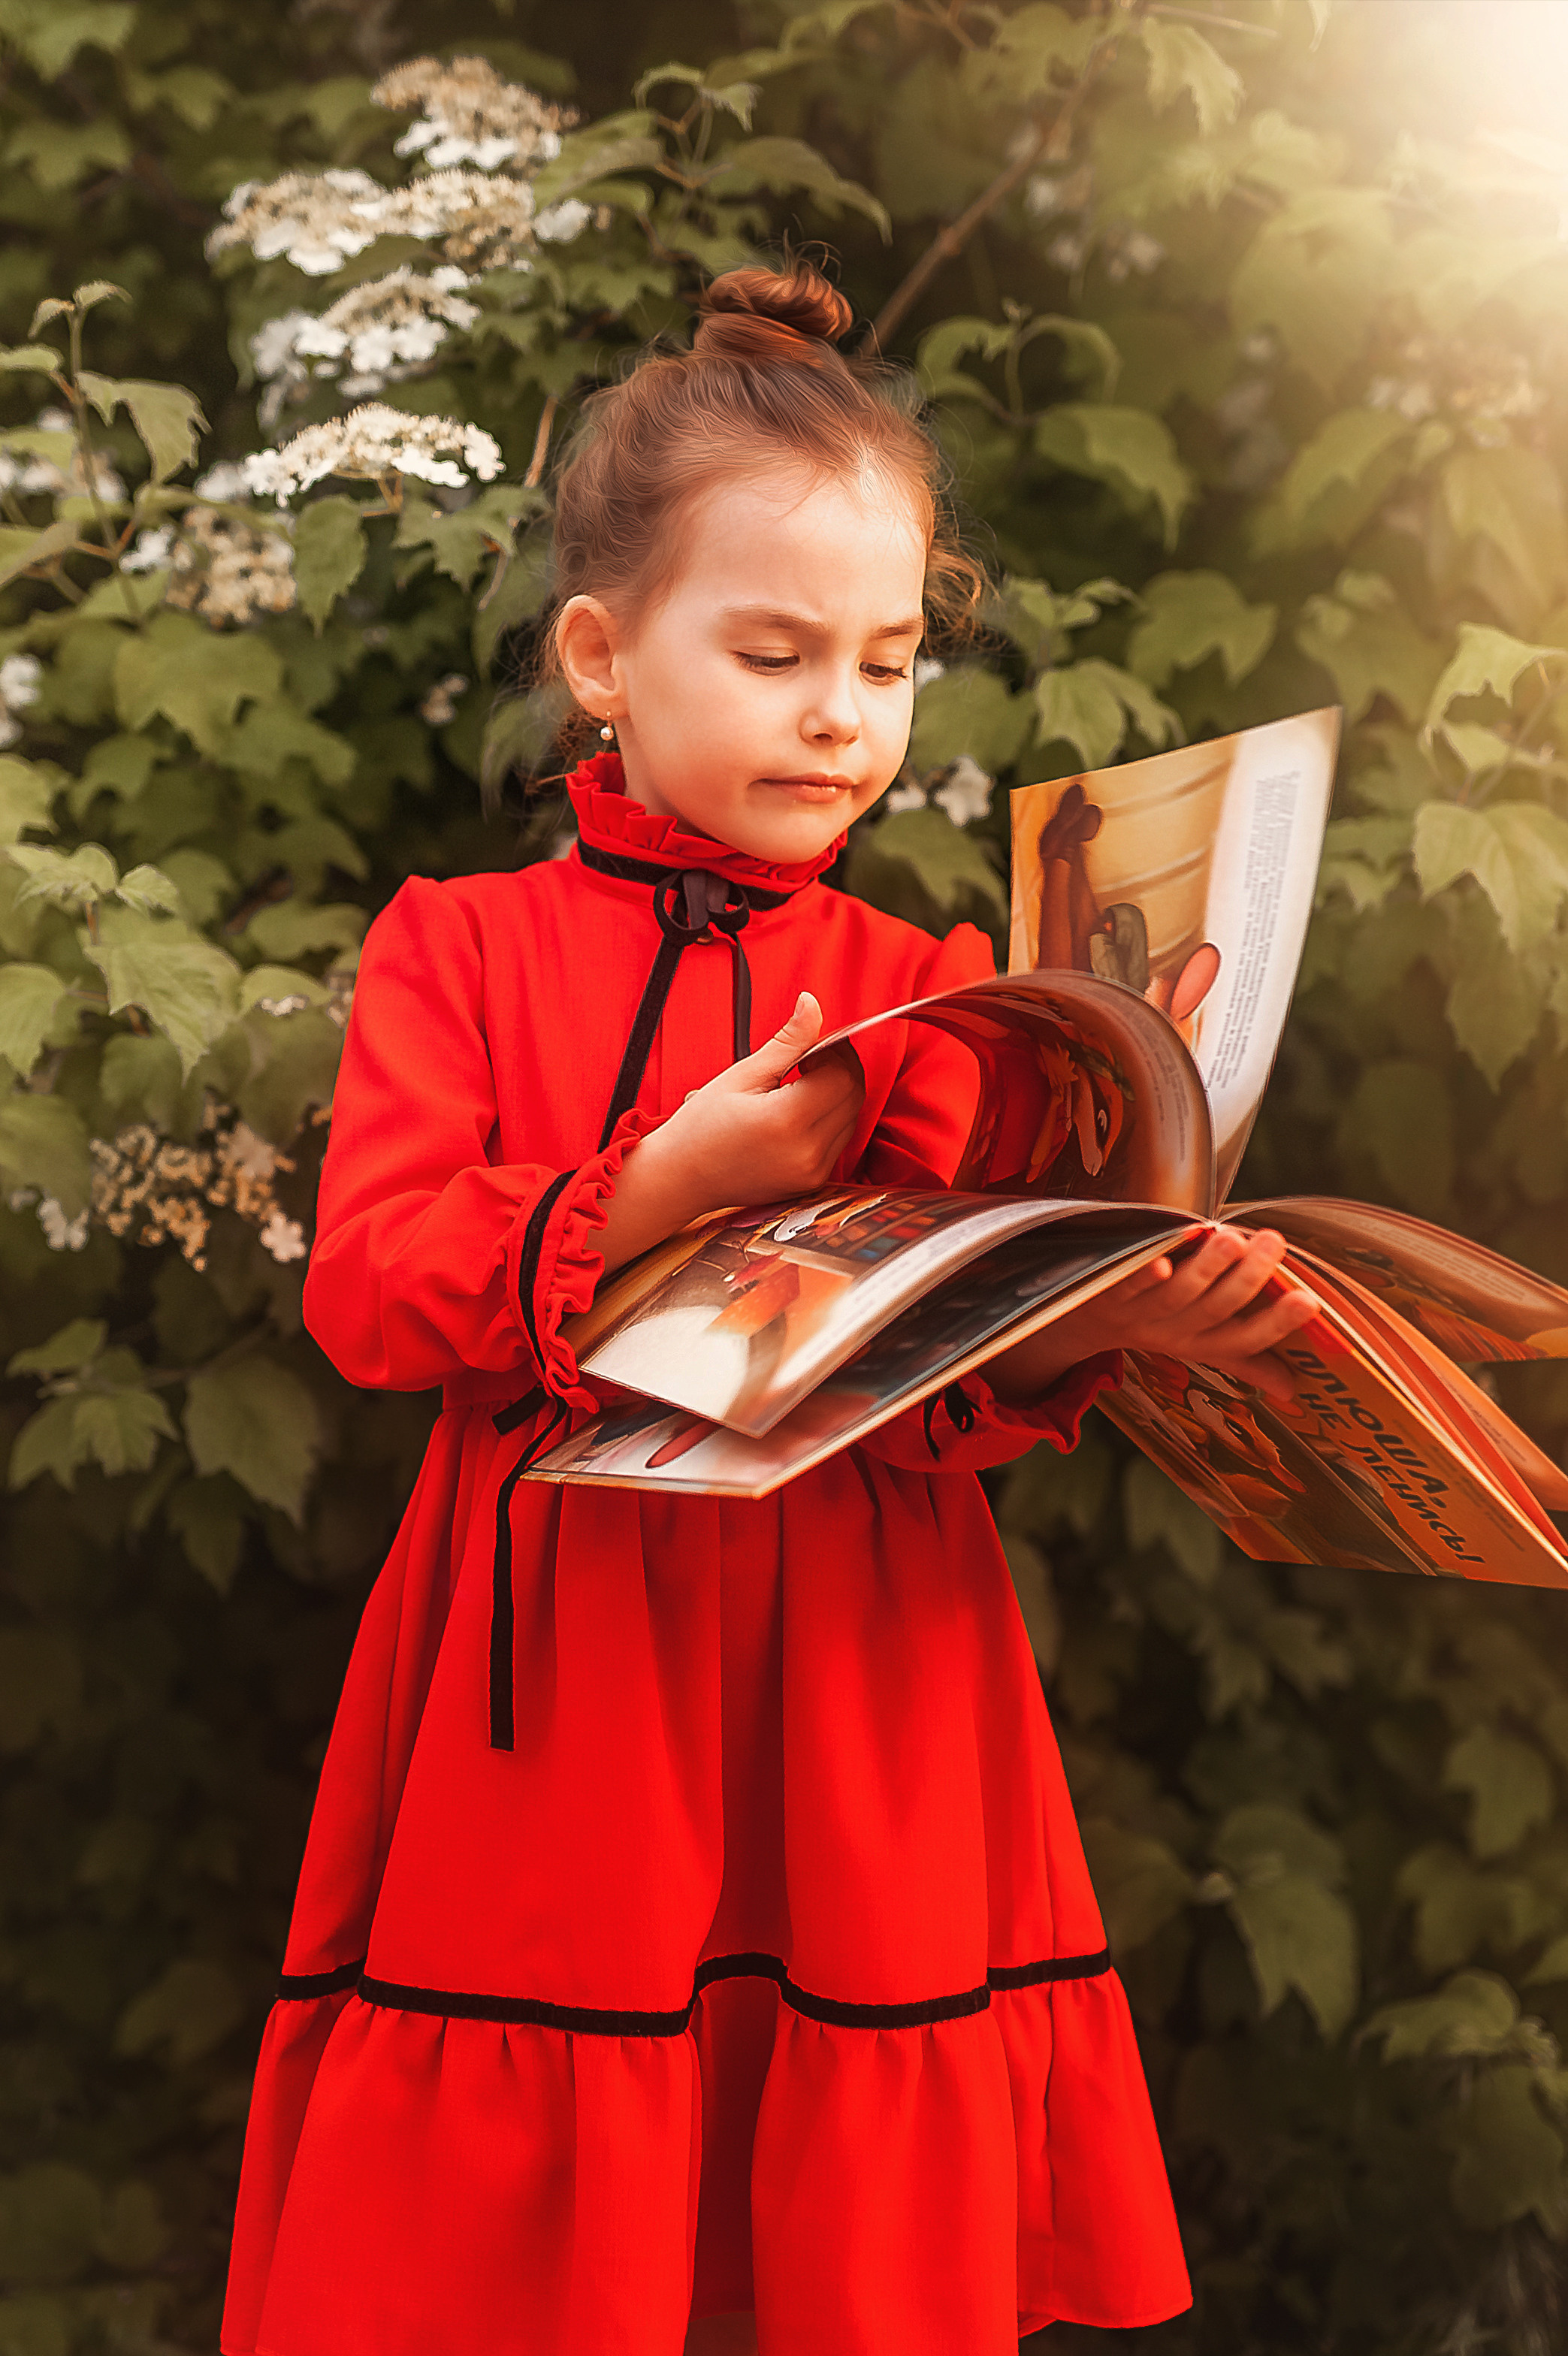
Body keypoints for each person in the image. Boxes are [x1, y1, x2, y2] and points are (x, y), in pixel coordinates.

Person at [220, 260, 1317, 2356]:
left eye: (892, 661)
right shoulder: (460, 943)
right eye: (779, 649)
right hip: (566, 1691)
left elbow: (924, 1371)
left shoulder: (938, 984)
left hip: (865, 1679)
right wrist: (654, 1192)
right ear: (603, 659)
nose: (844, 713)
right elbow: (370, 1289)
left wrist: (1120, 1325)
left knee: (848, 2259)